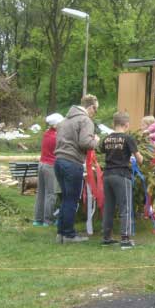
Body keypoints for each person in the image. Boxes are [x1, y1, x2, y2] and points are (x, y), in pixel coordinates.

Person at [54, 94, 100, 244]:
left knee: (65, 198)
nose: (95, 113)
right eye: (96, 110)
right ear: (91, 107)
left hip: (59, 161)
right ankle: (69, 234)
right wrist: (96, 141)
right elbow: (85, 142)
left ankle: (61, 233)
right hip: (72, 162)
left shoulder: (65, 120)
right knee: (72, 200)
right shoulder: (85, 120)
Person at [100, 111, 143, 249]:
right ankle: (125, 238)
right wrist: (138, 159)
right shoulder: (128, 138)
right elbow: (139, 159)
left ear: (113, 124)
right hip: (121, 175)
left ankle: (106, 237)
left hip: (107, 175)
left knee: (109, 207)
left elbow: (102, 150)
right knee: (126, 206)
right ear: (127, 125)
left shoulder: (106, 139)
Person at [33, 113, 63, 227]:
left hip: (42, 164)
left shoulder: (46, 133)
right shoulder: (57, 137)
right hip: (51, 166)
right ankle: (48, 219)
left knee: (41, 193)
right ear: (56, 125)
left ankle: (38, 219)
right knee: (51, 194)